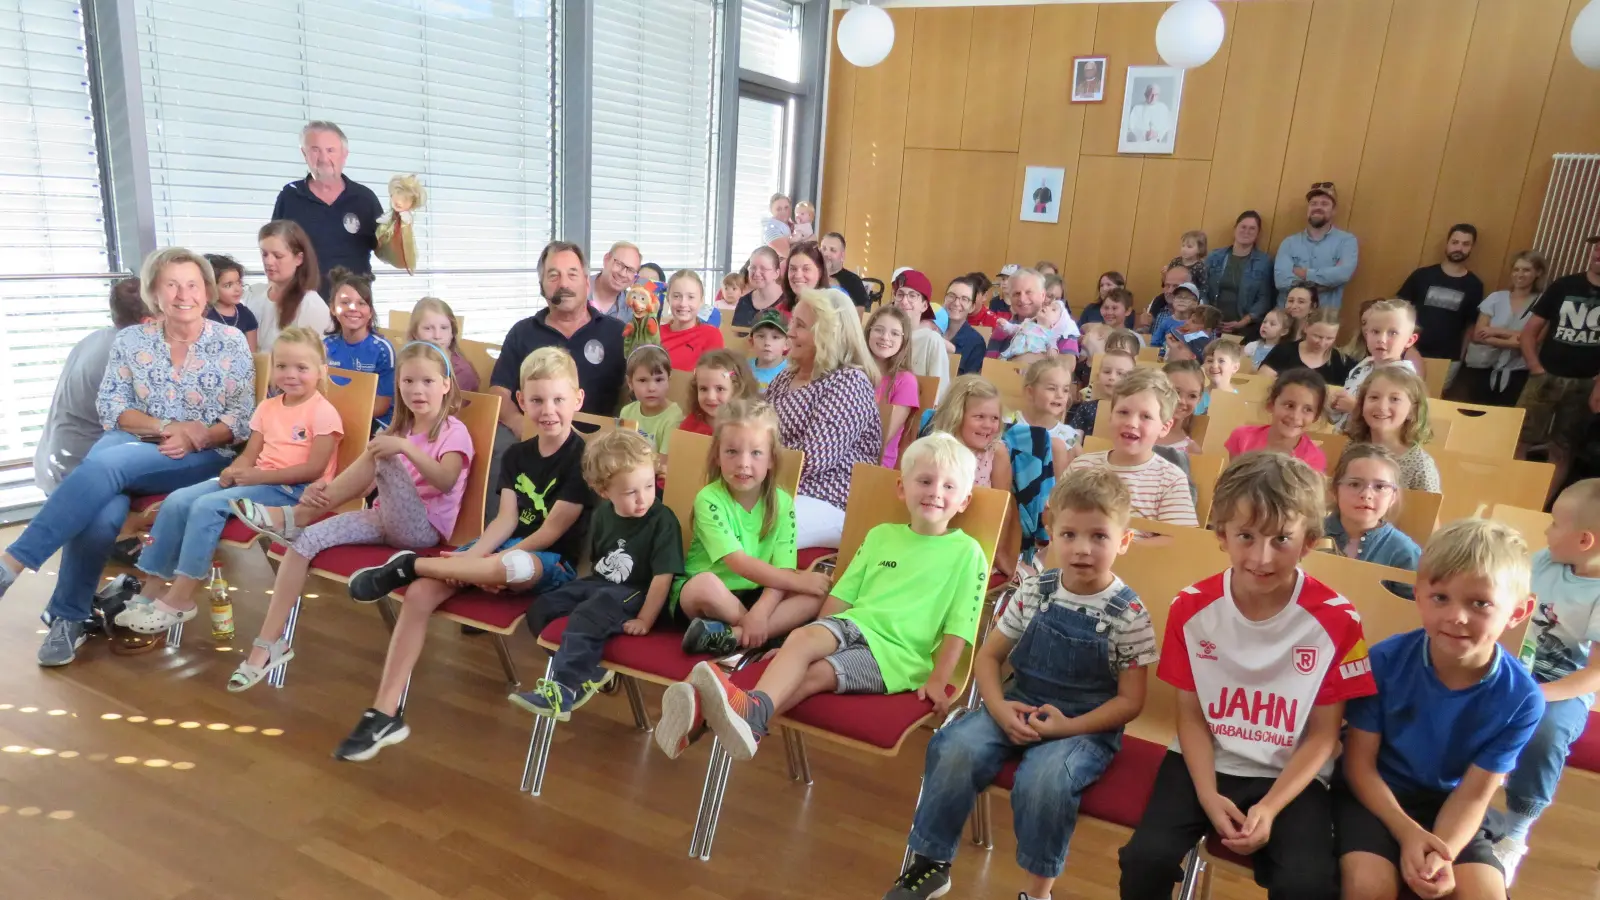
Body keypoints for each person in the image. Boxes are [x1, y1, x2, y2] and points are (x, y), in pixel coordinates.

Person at [1119, 452, 1376, 900]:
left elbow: (1323, 736)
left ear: (1310, 541)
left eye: (1281, 539)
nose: (1261, 557)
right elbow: (1191, 717)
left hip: (1290, 774)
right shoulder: (1190, 607)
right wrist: (1207, 794)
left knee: (1307, 883)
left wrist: (1271, 808)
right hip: (1205, 761)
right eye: (1245, 536)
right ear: (1222, 536)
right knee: (1145, 858)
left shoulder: (1338, 619)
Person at [890, 468, 1155, 900]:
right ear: (1050, 532)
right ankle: (931, 863)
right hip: (1017, 703)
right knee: (954, 747)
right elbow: (989, 657)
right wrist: (997, 708)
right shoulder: (1035, 589)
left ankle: (1037, 891)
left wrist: (1068, 728)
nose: (1082, 550)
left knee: (1044, 782)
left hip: (1084, 727)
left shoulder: (1129, 613)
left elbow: (1131, 702)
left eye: (1100, 537)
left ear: (1123, 541)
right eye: (1069, 535)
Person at [654, 432, 991, 762]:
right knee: (802, 639)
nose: (935, 493)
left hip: (898, 656)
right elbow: (842, 596)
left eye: (948, 486)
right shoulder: (881, 536)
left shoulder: (968, 553)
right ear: (902, 488)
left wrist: (939, 679)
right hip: (853, 624)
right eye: (925, 481)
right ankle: (750, 717)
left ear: (964, 500)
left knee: (817, 674)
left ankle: (721, 719)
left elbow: (962, 624)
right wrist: (794, 646)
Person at [0, 249, 254, 667]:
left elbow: (241, 420)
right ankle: (69, 618)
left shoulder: (229, 343)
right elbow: (112, 408)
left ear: (206, 291)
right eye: (171, 284)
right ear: (155, 291)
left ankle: (13, 564)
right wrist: (168, 426)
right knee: (102, 510)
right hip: (137, 441)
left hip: (203, 456)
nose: (182, 294)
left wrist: (199, 436)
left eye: (192, 284)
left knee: (106, 464)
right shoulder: (131, 341)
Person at [335, 347, 591, 758]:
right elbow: (505, 520)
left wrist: (479, 564)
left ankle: (411, 565)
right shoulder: (518, 455)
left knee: (511, 563)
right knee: (419, 594)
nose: (548, 410)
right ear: (522, 402)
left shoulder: (584, 458)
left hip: (549, 563)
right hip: (496, 553)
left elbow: (551, 531)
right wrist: (473, 560)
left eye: (559, 400)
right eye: (538, 400)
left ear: (577, 400)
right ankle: (384, 712)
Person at [230, 342, 473, 691]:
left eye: (428, 382)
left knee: (380, 449)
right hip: (383, 518)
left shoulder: (453, 431)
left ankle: (295, 515)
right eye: (407, 382)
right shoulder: (398, 432)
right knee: (305, 541)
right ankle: (267, 645)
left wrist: (399, 449)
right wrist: (324, 489)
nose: (417, 390)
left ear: (446, 384)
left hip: (423, 530)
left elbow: (446, 480)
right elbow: (364, 489)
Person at [1336, 519, 1540, 900]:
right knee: (1369, 887)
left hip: (1451, 807)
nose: (1456, 617)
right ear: (1418, 595)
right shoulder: (1383, 661)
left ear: (1517, 611)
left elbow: (1475, 794)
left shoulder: (1523, 699)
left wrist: (1440, 852)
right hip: (1376, 799)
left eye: (1480, 603)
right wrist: (1408, 832)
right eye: (1441, 597)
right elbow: (1359, 766)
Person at [117, 327, 341, 634]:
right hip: (257, 481)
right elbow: (250, 454)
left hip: (294, 493)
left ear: (320, 371)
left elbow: (314, 470)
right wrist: (234, 471)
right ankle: (150, 591)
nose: (291, 374)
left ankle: (181, 597)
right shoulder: (268, 407)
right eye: (282, 366)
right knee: (178, 499)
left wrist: (255, 476)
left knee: (207, 506)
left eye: (302, 368)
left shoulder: (323, 413)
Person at [499, 429, 683, 718]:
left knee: (590, 611)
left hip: (638, 594)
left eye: (648, 486)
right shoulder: (602, 515)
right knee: (543, 608)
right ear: (603, 491)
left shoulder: (662, 520)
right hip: (603, 585)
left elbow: (663, 578)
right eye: (630, 492)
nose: (642, 498)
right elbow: (598, 565)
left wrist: (645, 619)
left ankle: (564, 690)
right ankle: (588, 671)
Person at [1494, 479, 1600, 884]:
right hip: (1513, 665)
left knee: (1547, 731)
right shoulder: (1544, 561)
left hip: (1564, 686)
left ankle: (1515, 832)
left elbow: (1594, 673)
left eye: (1555, 524)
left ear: (1584, 539)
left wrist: (1539, 693)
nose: (1546, 531)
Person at [674, 399, 832, 659]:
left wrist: (761, 610)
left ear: (771, 459)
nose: (743, 463)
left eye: (756, 453)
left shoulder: (783, 504)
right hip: (710, 598)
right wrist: (756, 618)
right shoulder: (709, 499)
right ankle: (759, 635)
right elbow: (738, 562)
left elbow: (783, 569)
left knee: (816, 596)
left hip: (758, 594)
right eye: (732, 452)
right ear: (717, 455)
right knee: (703, 585)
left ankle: (731, 637)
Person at [488, 241, 625, 515]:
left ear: (587, 282)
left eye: (572, 274)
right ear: (542, 285)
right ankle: (497, 537)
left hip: (594, 443)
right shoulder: (522, 332)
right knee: (500, 448)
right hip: (535, 435)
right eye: (553, 275)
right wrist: (519, 423)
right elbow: (498, 391)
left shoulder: (618, 333)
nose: (563, 283)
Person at [766, 290, 883, 548]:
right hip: (778, 487)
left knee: (762, 527)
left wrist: (755, 456)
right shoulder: (786, 377)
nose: (791, 332)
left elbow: (814, 456)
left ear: (829, 334)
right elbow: (756, 427)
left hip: (830, 501)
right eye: (793, 322)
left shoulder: (849, 382)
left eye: (801, 325)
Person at [34, 278, 150, 494]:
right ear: (147, 322)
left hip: (54, 461)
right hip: (78, 471)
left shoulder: (97, 337)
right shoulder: (125, 355)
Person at [1518, 235, 1600, 494]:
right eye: (1598, 247)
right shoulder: (1564, 286)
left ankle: (1539, 504)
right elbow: (1529, 332)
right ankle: (1512, 496)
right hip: (1545, 377)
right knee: (1518, 439)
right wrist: (1536, 368)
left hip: (1586, 384)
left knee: (1564, 448)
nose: (1599, 253)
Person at [1067, 367, 1198, 527]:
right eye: (1123, 412)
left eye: (1146, 416)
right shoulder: (1081, 466)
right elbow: (1053, 515)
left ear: (1164, 427)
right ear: (1110, 417)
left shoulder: (1171, 480)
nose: (1131, 423)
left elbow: (1179, 539)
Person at [271, 121, 382, 298]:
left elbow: (386, 251)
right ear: (304, 153)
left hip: (353, 308)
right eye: (315, 150)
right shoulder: (289, 196)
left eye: (330, 150)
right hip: (302, 307)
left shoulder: (365, 199)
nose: (323, 158)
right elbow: (274, 253)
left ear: (344, 154)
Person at [1456, 250, 1545, 407]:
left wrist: (1495, 331)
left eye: (1526, 270)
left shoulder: (1543, 302)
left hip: (1517, 373)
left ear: (1537, 272)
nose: (1520, 274)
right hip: (1483, 369)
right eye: (1516, 269)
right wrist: (1517, 338)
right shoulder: (1496, 298)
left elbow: (1534, 340)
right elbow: (1478, 335)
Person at [1321, 443, 1420, 577]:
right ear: (1334, 490)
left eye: (1379, 487)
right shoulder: (1310, 532)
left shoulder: (1405, 552)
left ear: (1393, 497)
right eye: (1355, 484)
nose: (1366, 494)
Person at [1344, 364, 1441, 492]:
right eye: (1374, 397)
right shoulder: (1351, 448)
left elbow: (1427, 509)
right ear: (1362, 405)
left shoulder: (1421, 466)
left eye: (1394, 399)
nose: (1382, 406)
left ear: (1412, 411)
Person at [1398, 224, 1485, 362]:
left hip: (1448, 358)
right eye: (1455, 242)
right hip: (1410, 352)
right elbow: (1400, 310)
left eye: (1466, 244)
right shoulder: (1422, 275)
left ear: (1472, 247)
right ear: (1447, 243)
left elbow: (1471, 326)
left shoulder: (1474, 285)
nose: (1459, 248)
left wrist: (1461, 357)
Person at [323, 267, 395, 430]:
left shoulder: (382, 350)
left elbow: (382, 404)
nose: (353, 308)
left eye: (361, 303)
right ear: (333, 308)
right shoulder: (325, 346)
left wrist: (342, 416)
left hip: (375, 424)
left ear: (370, 312)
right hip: (333, 419)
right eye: (345, 302)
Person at [1330, 299, 1420, 429]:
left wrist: (1355, 408)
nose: (1381, 340)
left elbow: (1396, 424)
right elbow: (1340, 416)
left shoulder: (1404, 378)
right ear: (1366, 334)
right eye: (1375, 332)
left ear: (1410, 340)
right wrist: (1335, 404)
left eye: (1393, 333)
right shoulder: (1363, 366)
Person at [245, 220, 333, 350]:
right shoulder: (253, 293)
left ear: (299, 259)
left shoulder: (310, 304)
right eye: (264, 254)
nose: (268, 262)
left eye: (277, 256)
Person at [1224, 368, 1329, 473]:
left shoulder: (1314, 460)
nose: (1295, 416)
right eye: (1289, 405)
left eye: (1307, 409)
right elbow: (1232, 483)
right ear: (1271, 405)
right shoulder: (1242, 437)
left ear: (1316, 416)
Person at [1275, 182, 1359, 310]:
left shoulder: (1347, 241)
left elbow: (1342, 275)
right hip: (1287, 319)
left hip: (1323, 321)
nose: (1317, 207)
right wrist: (1326, 283)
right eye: (1313, 203)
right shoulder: (1289, 243)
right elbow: (1281, 281)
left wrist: (1305, 273)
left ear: (1334, 210)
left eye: (1324, 204)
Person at [866, 307, 920, 470]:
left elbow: (881, 438)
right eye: (879, 330)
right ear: (868, 332)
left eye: (895, 333)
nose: (885, 337)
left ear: (904, 340)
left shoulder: (906, 382)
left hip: (873, 462)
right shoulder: (852, 371)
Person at [1206, 211, 1276, 337]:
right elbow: (1202, 288)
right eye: (1243, 227)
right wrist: (1209, 317)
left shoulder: (1265, 262)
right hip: (1210, 326)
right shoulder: (1215, 256)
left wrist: (1243, 322)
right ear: (1235, 229)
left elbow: (1264, 298)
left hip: (1245, 329)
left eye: (1252, 228)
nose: (1246, 231)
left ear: (1258, 233)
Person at [620, 345, 684, 478]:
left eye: (659, 380)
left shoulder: (674, 417)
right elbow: (622, 450)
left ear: (668, 381)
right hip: (629, 475)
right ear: (630, 383)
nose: (652, 388)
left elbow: (663, 463)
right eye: (643, 380)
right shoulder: (626, 412)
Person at [1258, 306, 1351, 386]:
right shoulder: (1284, 351)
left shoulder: (1342, 362)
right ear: (1306, 327)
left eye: (1329, 338)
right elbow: (1262, 380)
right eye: (1317, 336)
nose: (1322, 343)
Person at [406, 297, 478, 394]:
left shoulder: (461, 372)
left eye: (444, 328)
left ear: (452, 332)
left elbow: (448, 408)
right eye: (428, 328)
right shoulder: (407, 364)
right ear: (415, 333)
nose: (437, 336)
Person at [680, 349, 758, 436]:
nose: (711, 397)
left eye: (720, 389)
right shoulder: (690, 425)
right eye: (703, 389)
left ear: (738, 389)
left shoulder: (748, 428)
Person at [659, 270, 724, 371]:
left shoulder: (711, 334)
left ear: (701, 301)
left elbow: (715, 377)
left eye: (691, 297)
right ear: (668, 299)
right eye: (676, 296)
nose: (683, 304)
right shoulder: (655, 333)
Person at [1066, 347, 1135, 436]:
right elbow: (1072, 439)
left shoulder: (1134, 412)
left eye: (1120, 374)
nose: (1112, 377)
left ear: (1132, 379)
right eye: (1107, 372)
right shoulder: (1086, 408)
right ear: (1098, 375)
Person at [987, 268, 1050, 358]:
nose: (1022, 299)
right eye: (1017, 293)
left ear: (1043, 295)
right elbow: (989, 366)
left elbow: (1067, 364)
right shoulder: (1001, 330)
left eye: (1029, 292)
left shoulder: (1058, 327)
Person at [204, 254, 258, 352]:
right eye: (228, 285)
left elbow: (252, 354)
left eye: (238, 282)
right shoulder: (204, 315)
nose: (237, 289)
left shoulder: (245, 315)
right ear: (211, 287)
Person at [941, 275, 988, 376]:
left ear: (972, 307)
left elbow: (967, 385)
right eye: (951, 296)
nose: (956, 303)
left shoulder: (976, 344)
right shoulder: (929, 329)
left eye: (964, 299)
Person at [1158, 359, 1204, 459]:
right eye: (1176, 392)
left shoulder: (1191, 450)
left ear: (1199, 400)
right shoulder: (1138, 431)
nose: (1182, 401)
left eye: (1192, 396)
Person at [732, 247, 788, 327]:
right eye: (752, 268)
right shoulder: (744, 301)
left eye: (763, 268)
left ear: (776, 273)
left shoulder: (789, 301)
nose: (757, 273)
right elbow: (736, 335)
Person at [590, 241, 642, 322]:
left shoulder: (632, 309)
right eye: (619, 264)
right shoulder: (578, 289)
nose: (622, 274)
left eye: (631, 270)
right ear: (606, 259)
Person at [819, 232, 870, 309]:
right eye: (823, 248)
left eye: (833, 250)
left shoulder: (854, 282)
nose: (826, 254)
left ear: (842, 256)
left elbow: (856, 319)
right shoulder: (812, 276)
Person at [781, 242, 833, 311]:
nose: (798, 276)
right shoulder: (779, 313)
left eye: (806, 269)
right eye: (793, 269)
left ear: (820, 272)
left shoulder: (833, 311)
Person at [747, 309, 790, 391]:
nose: (767, 343)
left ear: (786, 344)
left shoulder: (791, 372)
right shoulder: (743, 369)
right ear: (751, 342)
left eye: (775, 337)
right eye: (761, 336)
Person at [1200, 339, 1242, 415]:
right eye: (1210, 361)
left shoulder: (1238, 399)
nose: (1214, 365)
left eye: (1221, 361)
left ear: (1235, 367)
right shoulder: (1197, 396)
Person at [1170, 230, 1209, 296]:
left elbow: (1203, 289)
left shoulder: (1200, 267)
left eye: (1189, 247)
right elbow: (1167, 282)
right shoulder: (1175, 262)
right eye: (1183, 245)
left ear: (1200, 249)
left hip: (1190, 298)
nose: (1184, 249)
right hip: (1172, 293)